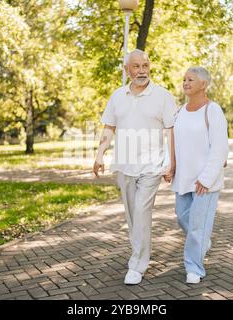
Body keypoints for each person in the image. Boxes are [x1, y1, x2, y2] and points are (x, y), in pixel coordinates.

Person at [93, 49, 177, 285]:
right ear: (126, 70)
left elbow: (171, 131)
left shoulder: (163, 96)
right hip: (124, 164)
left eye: (145, 66)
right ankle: (139, 252)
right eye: (136, 66)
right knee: (132, 215)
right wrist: (100, 154)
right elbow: (109, 127)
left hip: (152, 165)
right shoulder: (117, 96)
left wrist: (171, 162)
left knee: (141, 211)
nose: (142, 71)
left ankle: (137, 264)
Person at [164, 66, 228, 284]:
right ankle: (202, 242)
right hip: (183, 177)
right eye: (184, 79)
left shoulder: (213, 111)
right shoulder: (180, 112)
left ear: (204, 84)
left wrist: (207, 178)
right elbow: (172, 142)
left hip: (205, 181)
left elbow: (220, 147)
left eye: (190, 79)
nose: (185, 83)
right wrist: (170, 167)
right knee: (183, 217)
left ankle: (194, 268)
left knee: (198, 226)